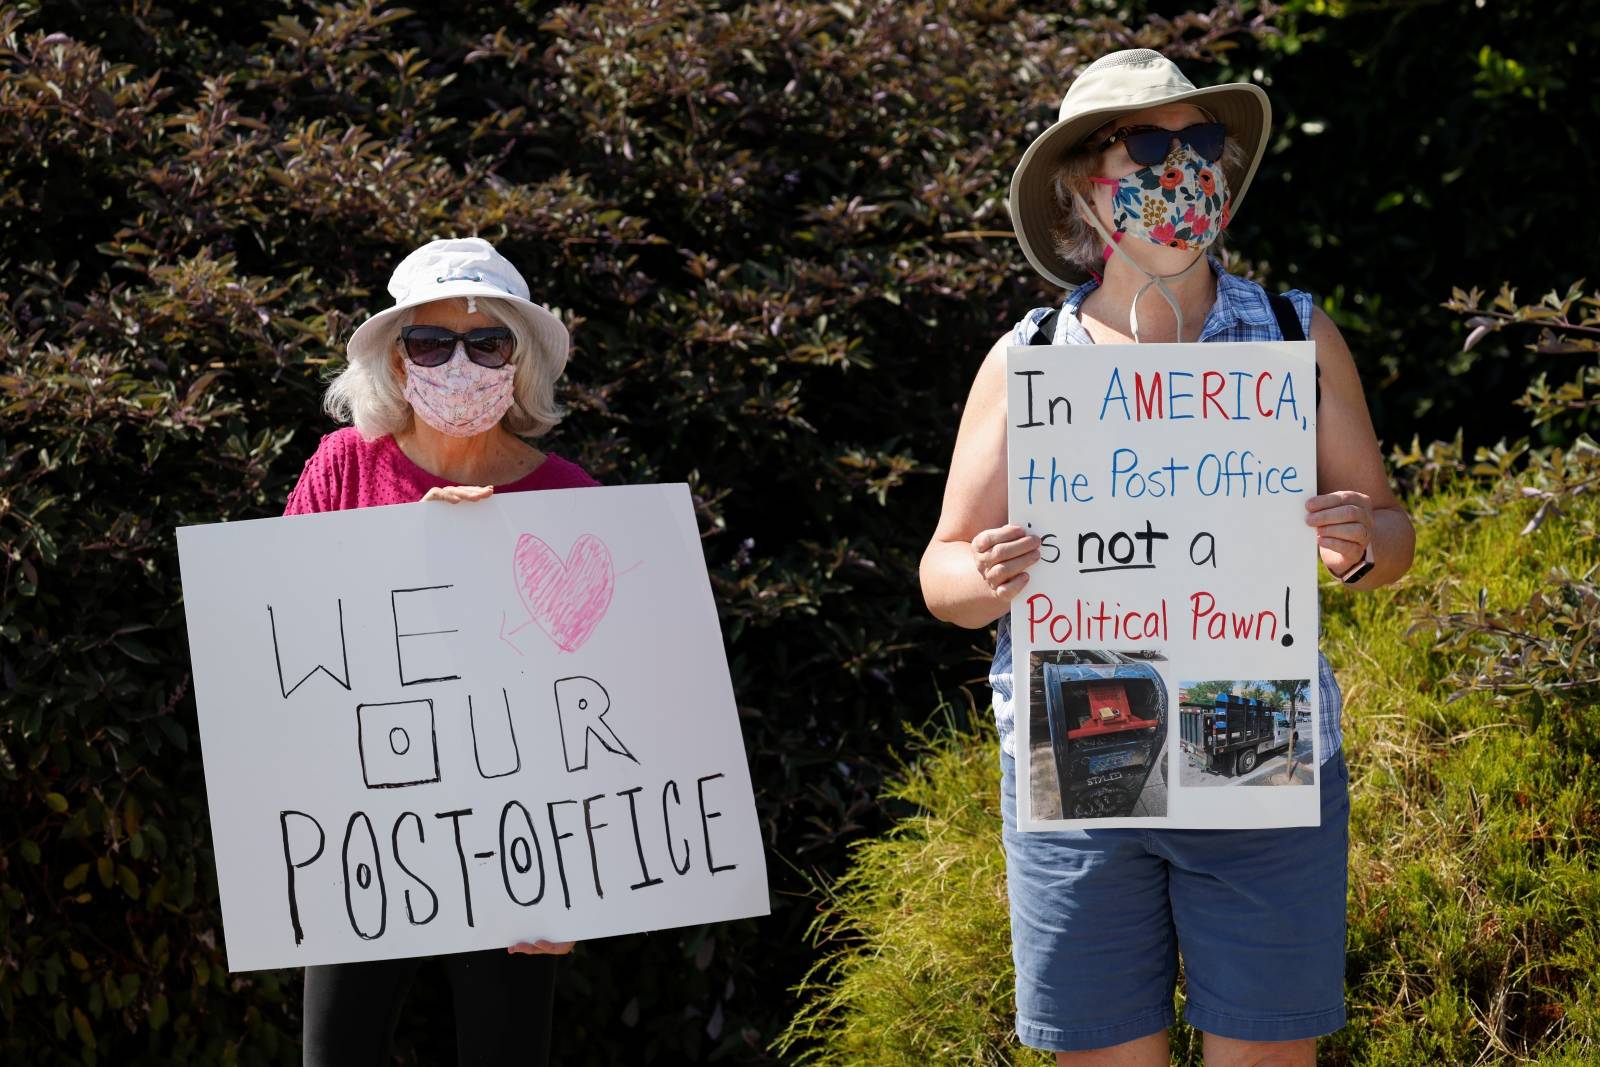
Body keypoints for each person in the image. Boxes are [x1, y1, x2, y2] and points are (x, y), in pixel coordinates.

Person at [919, 50, 1415, 1066]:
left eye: (1200, 145)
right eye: (1149, 144)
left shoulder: (1291, 333)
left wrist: (1358, 541)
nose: (1182, 167)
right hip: (1083, 758)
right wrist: (989, 575)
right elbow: (943, 575)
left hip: (1258, 747)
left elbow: (1391, 535)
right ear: (1082, 184)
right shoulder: (1032, 359)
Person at [285, 236, 593, 1066]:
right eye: (431, 341)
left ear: (518, 361)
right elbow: (292, 640)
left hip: (516, 842)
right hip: (363, 825)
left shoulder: (572, 498)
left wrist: (582, 888)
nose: (459, 362)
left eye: (485, 340)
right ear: (395, 360)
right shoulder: (342, 469)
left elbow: (602, 703)